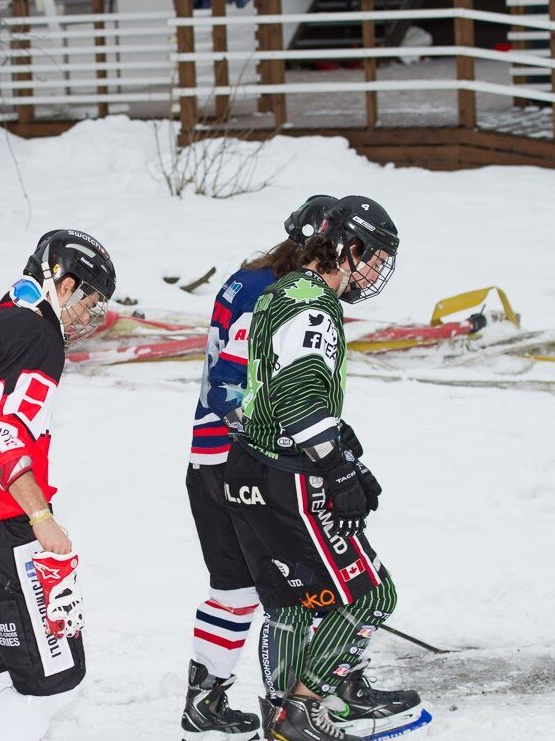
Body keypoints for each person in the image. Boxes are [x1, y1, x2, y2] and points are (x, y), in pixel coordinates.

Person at [222, 197, 426, 741]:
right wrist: (336, 468)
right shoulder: (315, 305)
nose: (377, 272)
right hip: (288, 475)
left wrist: (344, 445)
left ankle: (284, 718)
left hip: (248, 468)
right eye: (376, 259)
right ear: (349, 247)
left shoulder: (280, 292)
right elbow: (298, 394)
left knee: (292, 600)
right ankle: (305, 705)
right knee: (370, 594)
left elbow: (263, 387)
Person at [0, 230, 116, 741]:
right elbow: (0, 431)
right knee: (54, 681)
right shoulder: (37, 334)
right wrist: (40, 515)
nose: (87, 317)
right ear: (66, 283)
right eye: (90, 302)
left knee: (10, 675)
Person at [180, 195, 338, 741]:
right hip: (239, 462)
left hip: (211, 459)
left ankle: (206, 702)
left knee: (236, 590)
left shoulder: (248, 278)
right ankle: (294, 706)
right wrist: (292, 447)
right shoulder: (269, 292)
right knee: (289, 585)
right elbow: (232, 387)